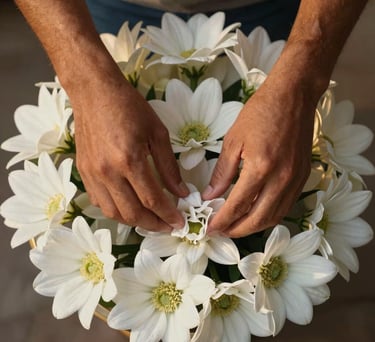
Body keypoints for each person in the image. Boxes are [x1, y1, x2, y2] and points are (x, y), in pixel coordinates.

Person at [14, 0, 368, 238]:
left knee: (266, 195)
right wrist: (85, 81)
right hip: (109, 8)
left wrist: (302, 82)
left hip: (281, 8)